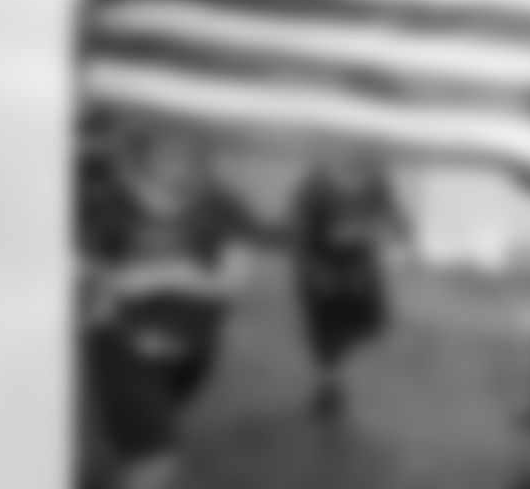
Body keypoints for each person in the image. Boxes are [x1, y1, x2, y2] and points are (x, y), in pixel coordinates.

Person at [77, 128, 259, 489]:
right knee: (156, 458)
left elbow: (235, 279)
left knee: (146, 431)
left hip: (193, 351)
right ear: (145, 147)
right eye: (169, 145)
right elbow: (81, 267)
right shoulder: (107, 201)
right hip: (120, 342)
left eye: (193, 146)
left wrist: (164, 275)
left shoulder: (225, 206)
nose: (182, 157)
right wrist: (101, 284)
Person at [291, 154, 403, 422]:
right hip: (322, 267)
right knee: (325, 332)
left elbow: (397, 226)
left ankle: (332, 372)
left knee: (364, 326)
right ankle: (329, 384)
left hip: (358, 271)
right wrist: (312, 270)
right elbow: (300, 233)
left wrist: (366, 230)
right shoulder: (315, 186)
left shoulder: (377, 185)